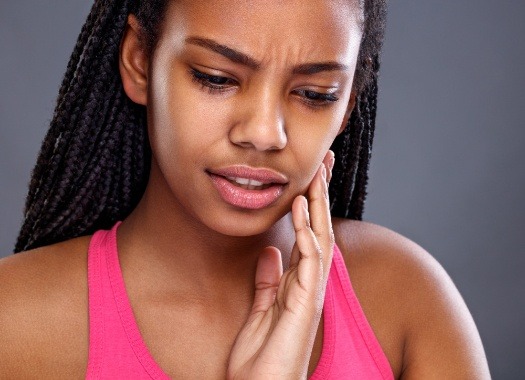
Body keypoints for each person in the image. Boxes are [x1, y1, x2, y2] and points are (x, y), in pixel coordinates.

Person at [0, 0, 491, 378]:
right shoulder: (15, 325)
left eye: (314, 94)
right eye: (216, 78)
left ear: (346, 107)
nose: (264, 133)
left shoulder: (407, 302)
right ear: (139, 61)